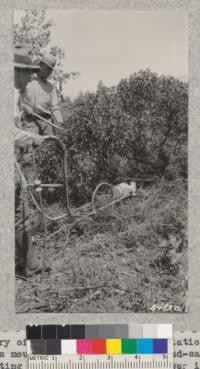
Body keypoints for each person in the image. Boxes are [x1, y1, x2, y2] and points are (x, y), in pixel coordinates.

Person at [14, 45, 51, 277]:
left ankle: (29, 264)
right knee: (17, 212)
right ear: (16, 70)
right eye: (28, 72)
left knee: (19, 211)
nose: (31, 76)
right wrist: (34, 138)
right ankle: (28, 265)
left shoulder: (15, 96)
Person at [21, 52, 64, 135]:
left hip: (47, 123)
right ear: (41, 66)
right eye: (49, 69)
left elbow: (55, 108)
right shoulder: (27, 81)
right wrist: (25, 108)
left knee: (50, 146)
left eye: (51, 70)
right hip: (30, 122)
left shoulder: (51, 87)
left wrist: (60, 122)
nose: (50, 73)